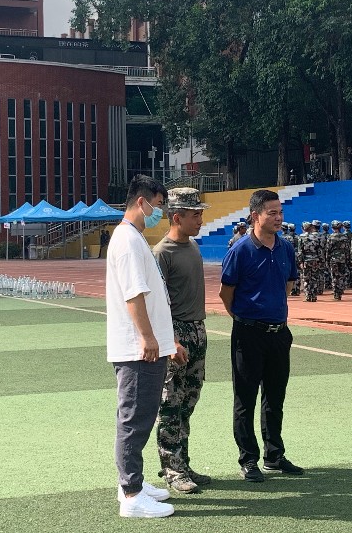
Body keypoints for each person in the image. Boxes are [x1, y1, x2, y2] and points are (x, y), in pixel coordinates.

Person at [219, 189, 302, 483]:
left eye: (280, 212)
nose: (279, 218)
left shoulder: (286, 248)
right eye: (272, 213)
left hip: (278, 333)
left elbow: (288, 284)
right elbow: (226, 293)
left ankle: (274, 455)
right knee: (246, 398)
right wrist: (245, 318)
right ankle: (248, 459)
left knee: (275, 396)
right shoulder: (240, 250)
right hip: (248, 333)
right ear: (256, 215)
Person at [106, 174, 176, 518]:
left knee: (141, 417)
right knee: (134, 420)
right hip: (138, 349)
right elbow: (134, 295)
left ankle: (132, 483)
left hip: (146, 346)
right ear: (141, 202)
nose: (159, 212)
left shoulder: (133, 237)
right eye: (158, 205)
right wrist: (148, 338)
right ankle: (131, 494)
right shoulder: (128, 241)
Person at [153, 188, 212, 494]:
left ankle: (182, 462)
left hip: (197, 329)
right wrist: (172, 341)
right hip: (176, 333)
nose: (200, 220)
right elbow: (158, 303)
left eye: (201, 214)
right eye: (195, 215)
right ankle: (172, 469)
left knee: (188, 402)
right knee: (170, 404)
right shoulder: (162, 253)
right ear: (177, 217)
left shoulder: (192, 246)